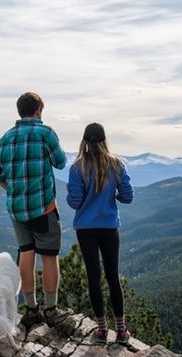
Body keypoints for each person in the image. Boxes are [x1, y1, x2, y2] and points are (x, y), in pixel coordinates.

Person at [0, 92, 68, 329]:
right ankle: (51, 309)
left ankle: (31, 308)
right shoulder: (45, 133)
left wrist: (9, 187)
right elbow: (61, 162)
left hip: (16, 209)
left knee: (26, 253)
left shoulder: (6, 138)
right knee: (50, 257)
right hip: (43, 207)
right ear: (39, 110)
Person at [66, 122, 134, 345]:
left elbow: (75, 202)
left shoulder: (77, 168)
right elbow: (127, 197)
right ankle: (122, 331)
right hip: (109, 226)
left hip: (86, 229)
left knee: (93, 277)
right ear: (104, 140)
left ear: (84, 141)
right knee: (113, 276)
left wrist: (81, 198)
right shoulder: (116, 164)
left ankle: (102, 329)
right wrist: (111, 194)